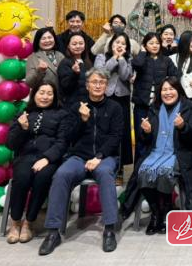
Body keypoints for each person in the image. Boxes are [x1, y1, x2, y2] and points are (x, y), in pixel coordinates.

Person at [38, 69, 123, 255]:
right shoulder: (76, 106)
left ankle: (109, 229)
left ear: (106, 85)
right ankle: (53, 232)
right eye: (94, 82)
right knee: (61, 174)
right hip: (78, 157)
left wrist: (99, 156)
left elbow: (116, 137)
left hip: (105, 157)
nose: (98, 85)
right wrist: (82, 120)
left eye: (102, 82)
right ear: (87, 85)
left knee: (105, 174)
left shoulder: (115, 107)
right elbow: (68, 136)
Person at [135, 77, 192, 234]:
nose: (168, 93)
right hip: (156, 152)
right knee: (143, 171)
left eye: (171, 89)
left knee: (164, 172)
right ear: (160, 93)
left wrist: (183, 126)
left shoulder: (189, 107)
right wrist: (146, 132)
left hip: (180, 153)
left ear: (178, 90)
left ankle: (166, 212)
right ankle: (156, 214)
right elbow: (144, 140)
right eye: (164, 90)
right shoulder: (154, 108)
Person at [5, 82, 70, 244]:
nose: (45, 97)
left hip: (49, 159)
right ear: (34, 94)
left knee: (42, 179)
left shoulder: (62, 114)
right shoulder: (23, 113)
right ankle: (15, 222)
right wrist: (22, 128)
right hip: (25, 157)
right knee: (21, 179)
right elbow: (11, 144)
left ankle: (29, 223)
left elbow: (62, 142)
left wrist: (47, 158)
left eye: (49, 93)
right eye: (41, 93)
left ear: (54, 96)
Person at [132, 32, 179, 164]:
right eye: (151, 43)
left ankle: (156, 166)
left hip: (159, 106)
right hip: (141, 105)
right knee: (140, 137)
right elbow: (137, 65)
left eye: (157, 43)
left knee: (157, 136)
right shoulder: (142, 59)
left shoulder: (166, 60)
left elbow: (175, 77)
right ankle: (138, 169)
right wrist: (142, 52)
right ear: (145, 45)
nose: (154, 46)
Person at [94, 32, 134, 168]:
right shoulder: (101, 57)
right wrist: (114, 58)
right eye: (117, 42)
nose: (120, 45)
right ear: (111, 44)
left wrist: (121, 59)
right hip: (105, 96)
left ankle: (121, 165)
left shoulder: (129, 59)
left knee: (122, 131)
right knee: (105, 130)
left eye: (123, 43)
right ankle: (102, 160)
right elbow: (101, 73)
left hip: (122, 98)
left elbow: (125, 76)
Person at [57, 32, 92, 108]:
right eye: (74, 44)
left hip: (87, 102)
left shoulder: (88, 62)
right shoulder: (65, 63)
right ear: (68, 46)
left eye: (81, 43)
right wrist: (74, 73)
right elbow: (65, 86)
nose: (78, 46)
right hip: (72, 104)